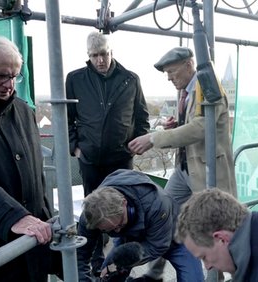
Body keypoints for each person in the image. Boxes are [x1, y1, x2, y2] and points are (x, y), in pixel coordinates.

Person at [128, 46, 236, 281]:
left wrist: (154, 138)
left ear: (189, 65)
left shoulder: (208, 86)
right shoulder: (188, 90)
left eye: (172, 72)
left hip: (207, 170)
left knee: (212, 228)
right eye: (166, 73)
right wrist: (175, 126)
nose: (169, 78)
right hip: (185, 169)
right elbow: (193, 124)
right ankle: (155, 273)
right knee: (163, 215)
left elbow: (201, 127)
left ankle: (216, 276)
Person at [66, 31, 150, 274]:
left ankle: (120, 265)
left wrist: (135, 142)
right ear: (88, 56)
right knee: (92, 212)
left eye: (103, 54)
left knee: (124, 210)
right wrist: (76, 147)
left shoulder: (130, 79)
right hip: (90, 159)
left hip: (121, 159)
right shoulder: (75, 79)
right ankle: (93, 263)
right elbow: (68, 119)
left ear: (111, 52)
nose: (100, 60)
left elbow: (141, 116)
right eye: (94, 56)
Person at [0, 37, 58, 281]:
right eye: (0, 75)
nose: (9, 84)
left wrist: (46, 220)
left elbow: (37, 176)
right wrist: (12, 216)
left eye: (15, 76)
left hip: (31, 247)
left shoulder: (24, 112)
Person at [77, 169, 204, 282]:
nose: (117, 230)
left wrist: (121, 262)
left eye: (119, 225)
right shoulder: (91, 214)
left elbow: (157, 246)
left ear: (124, 203)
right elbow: (81, 255)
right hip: (130, 237)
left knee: (193, 279)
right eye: (110, 230)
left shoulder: (157, 204)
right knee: (108, 275)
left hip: (174, 236)